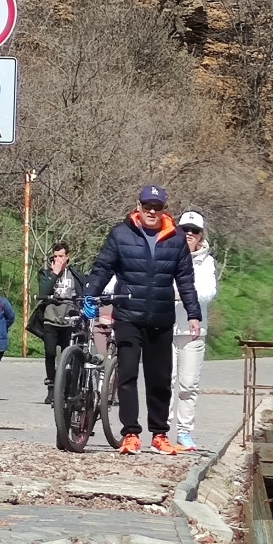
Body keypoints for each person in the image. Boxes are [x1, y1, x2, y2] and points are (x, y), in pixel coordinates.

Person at [84, 185, 201, 455]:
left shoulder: (176, 238)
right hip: (128, 315)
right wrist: (90, 294)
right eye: (147, 206)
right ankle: (130, 434)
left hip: (160, 317)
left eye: (157, 207)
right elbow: (103, 267)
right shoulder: (121, 233)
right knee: (127, 375)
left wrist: (193, 314)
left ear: (164, 210)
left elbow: (185, 280)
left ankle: (159, 434)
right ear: (138, 206)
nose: (151, 211)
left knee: (159, 378)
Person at [169, 211, 217, 453]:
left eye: (194, 231)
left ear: (201, 235)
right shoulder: (167, 253)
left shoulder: (206, 262)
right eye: (184, 229)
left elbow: (208, 293)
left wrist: (181, 294)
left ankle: (184, 432)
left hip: (193, 330)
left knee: (188, 385)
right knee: (165, 382)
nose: (189, 234)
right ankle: (162, 431)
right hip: (165, 326)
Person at [33, 243, 88, 405]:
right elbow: (43, 292)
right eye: (55, 256)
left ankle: (67, 389)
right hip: (51, 318)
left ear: (67, 257)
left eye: (61, 256)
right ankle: (51, 386)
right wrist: (55, 274)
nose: (58, 259)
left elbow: (83, 292)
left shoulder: (75, 274)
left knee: (68, 356)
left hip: (70, 320)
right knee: (50, 353)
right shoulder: (46, 273)